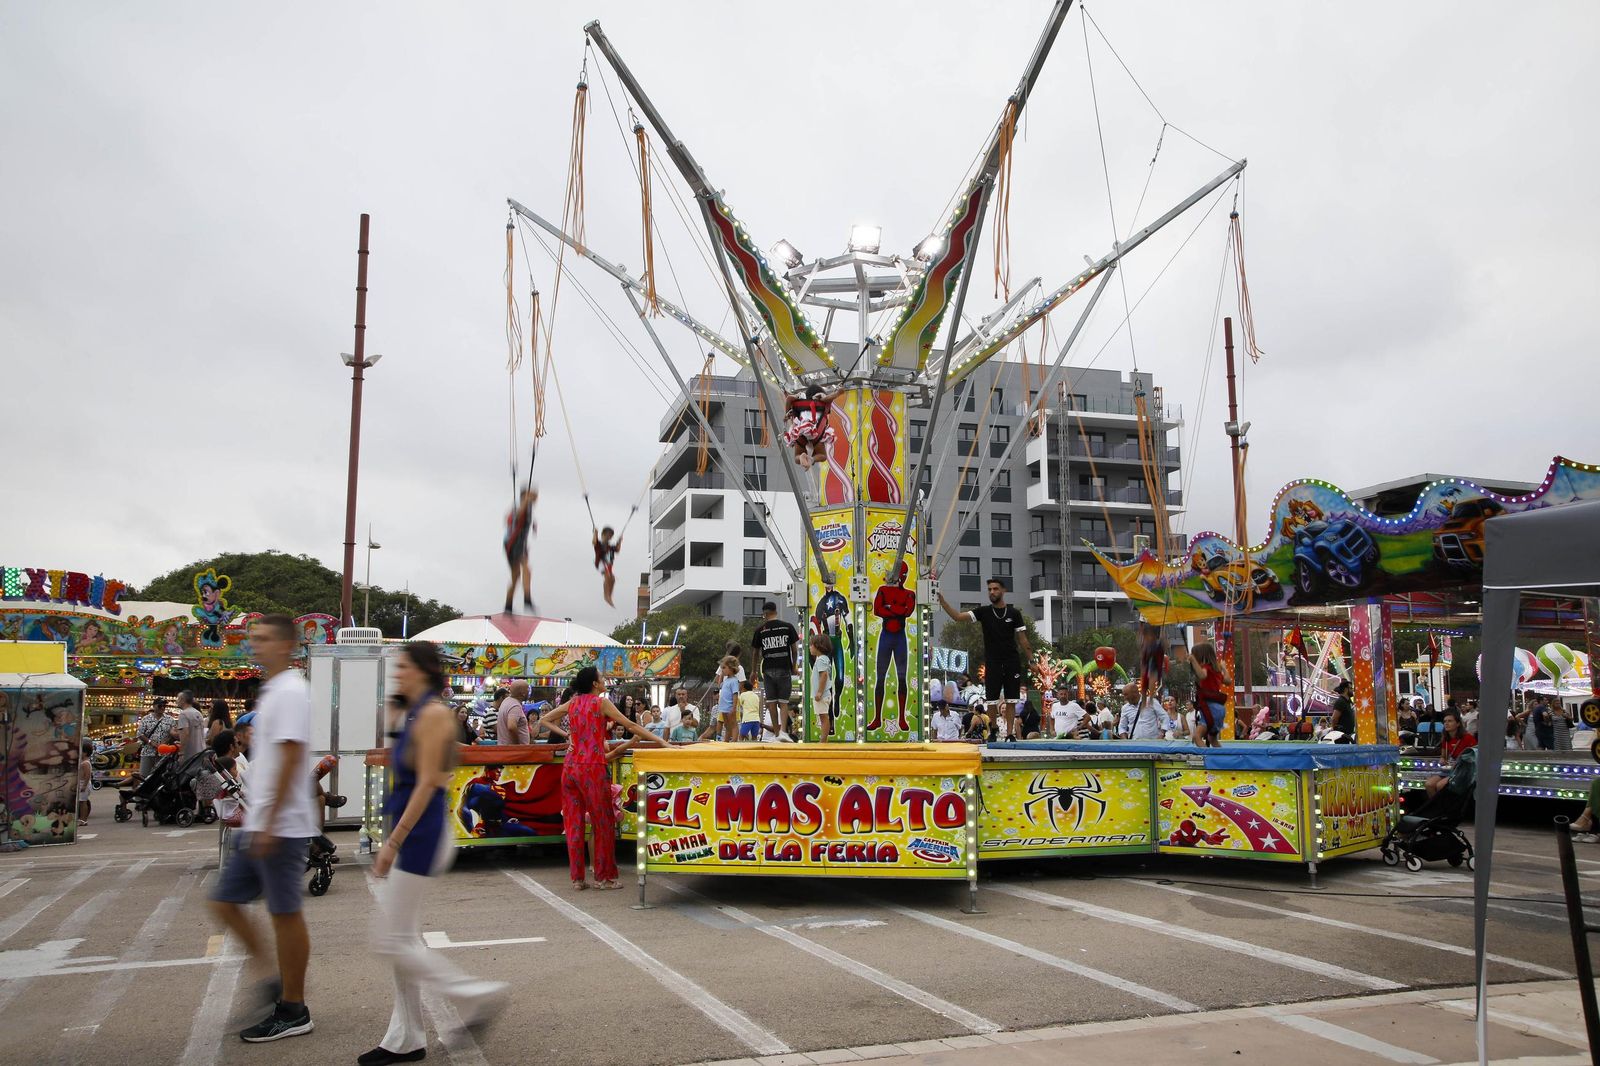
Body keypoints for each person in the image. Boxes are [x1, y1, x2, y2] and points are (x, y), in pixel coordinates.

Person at [364, 641, 509, 1065]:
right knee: (400, 941)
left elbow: (428, 782)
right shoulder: (415, 712)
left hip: (421, 836)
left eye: (404, 667)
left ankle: (475, 994)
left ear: (424, 672)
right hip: (412, 832)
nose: (398, 674)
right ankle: (405, 1036)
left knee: (389, 939)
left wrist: (392, 844)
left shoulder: (432, 715)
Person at [207, 614, 317, 1043]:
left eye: (264, 638)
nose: (255, 645)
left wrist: (270, 821)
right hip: (264, 820)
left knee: (284, 913)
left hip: (281, 824)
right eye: (251, 638)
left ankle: (293, 1006)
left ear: (287, 645)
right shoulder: (272, 690)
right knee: (224, 902)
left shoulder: (290, 690)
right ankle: (277, 982)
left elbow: (291, 757)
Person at [534, 666, 667, 889]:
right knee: (602, 822)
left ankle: (577, 878)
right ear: (595, 684)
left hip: (571, 766)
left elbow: (545, 720)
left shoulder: (574, 702)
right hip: (592, 767)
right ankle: (604, 877)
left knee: (574, 823)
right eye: (602, 678)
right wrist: (662, 742)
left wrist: (568, 736)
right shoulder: (601, 703)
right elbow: (631, 725)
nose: (604, 681)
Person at [937, 577, 1030, 742]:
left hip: (1011, 661)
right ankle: (993, 730)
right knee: (992, 700)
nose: (992, 592)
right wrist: (943, 602)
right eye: (989, 589)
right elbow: (958, 617)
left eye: (995, 589)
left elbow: (1022, 639)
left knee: (1011, 700)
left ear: (1003, 591)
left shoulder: (1014, 613)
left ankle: (1010, 734)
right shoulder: (984, 612)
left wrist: (1032, 660)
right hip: (993, 661)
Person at [871, 562, 917, 733]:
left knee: (902, 678)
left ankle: (902, 718)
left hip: (898, 637)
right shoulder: (883, 589)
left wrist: (889, 607)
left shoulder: (909, 594)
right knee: (880, 678)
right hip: (887, 636)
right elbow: (877, 610)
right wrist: (896, 609)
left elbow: (907, 611)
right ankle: (877, 718)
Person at [751, 602, 800, 739]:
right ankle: (783, 732)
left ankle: (777, 734)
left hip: (768, 669)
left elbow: (755, 652)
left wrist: (754, 671)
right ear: (775, 611)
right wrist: (793, 666)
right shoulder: (787, 627)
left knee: (771, 702)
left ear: (765, 613)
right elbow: (794, 650)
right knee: (783, 702)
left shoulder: (760, 630)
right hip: (784, 667)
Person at [782, 385, 840, 469]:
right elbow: (829, 399)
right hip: (816, 431)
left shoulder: (800, 398)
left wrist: (787, 414)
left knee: (796, 457)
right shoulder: (822, 399)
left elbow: (789, 398)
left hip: (801, 430)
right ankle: (811, 459)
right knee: (822, 455)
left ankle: (802, 456)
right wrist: (838, 392)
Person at [1426, 709, 1477, 797]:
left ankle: (1447, 808)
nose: (1446, 723)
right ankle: (1436, 807)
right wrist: (1442, 759)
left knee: (1440, 785)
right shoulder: (1446, 739)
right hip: (1448, 770)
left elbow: (1475, 756)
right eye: (1445, 721)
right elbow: (1443, 756)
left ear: (1458, 724)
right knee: (1429, 784)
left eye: (1450, 721)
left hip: (1462, 771)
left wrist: (1459, 763)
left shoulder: (1468, 738)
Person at [503, 487, 538, 614]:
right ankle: (527, 599)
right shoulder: (520, 505)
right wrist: (525, 502)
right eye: (534, 495)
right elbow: (517, 515)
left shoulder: (528, 508)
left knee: (516, 576)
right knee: (526, 569)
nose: (536, 498)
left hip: (519, 544)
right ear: (526, 496)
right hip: (513, 543)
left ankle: (508, 606)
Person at [1189, 642, 1229, 748]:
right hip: (1220, 709)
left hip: (1210, 708)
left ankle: (1209, 759)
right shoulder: (1217, 671)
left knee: (1197, 737)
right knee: (1212, 739)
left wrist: (1193, 661)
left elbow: (1202, 675)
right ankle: (1221, 760)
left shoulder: (1206, 668)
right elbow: (1228, 681)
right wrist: (1224, 668)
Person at [703, 656, 741, 742]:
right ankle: (726, 740)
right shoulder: (726, 680)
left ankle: (734, 740)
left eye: (724, 668)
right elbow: (719, 685)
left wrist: (734, 707)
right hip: (723, 706)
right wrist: (721, 674)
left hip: (730, 705)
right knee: (726, 725)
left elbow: (735, 694)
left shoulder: (734, 681)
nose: (722, 670)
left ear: (731, 668)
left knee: (733, 724)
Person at [136, 696, 173, 781]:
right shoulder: (146, 719)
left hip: (163, 753)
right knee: (143, 776)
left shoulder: (170, 719)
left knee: (160, 777)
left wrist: (165, 742)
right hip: (148, 751)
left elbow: (172, 734)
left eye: (164, 706)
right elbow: (139, 734)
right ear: (154, 706)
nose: (162, 708)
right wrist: (150, 742)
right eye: (160, 706)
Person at [810, 633, 834, 742]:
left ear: (818, 646)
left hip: (822, 694)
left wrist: (819, 692)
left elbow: (823, 675)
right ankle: (823, 739)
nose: (810, 647)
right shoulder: (822, 659)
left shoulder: (821, 660)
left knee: (824, 717)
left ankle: (823, 740)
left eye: (812, 645)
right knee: (823, 716)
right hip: (823, 694)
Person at [593, 526, 622, 607]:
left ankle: (609, 595)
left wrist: (619, 541)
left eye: (610, 537)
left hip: (608, 565)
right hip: (601, 563)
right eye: (607, 536)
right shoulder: (599, 544)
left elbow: (618, 549)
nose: (609, 538)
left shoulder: (610, 547)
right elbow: (594, 542)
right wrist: (595, 533)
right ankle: (606, 596)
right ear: (603, 535)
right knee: (607, 576)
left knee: (612, 579)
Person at [498, 681, 532, 746]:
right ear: (523, 693)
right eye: (528, 689)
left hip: (506, 748)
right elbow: (511, 727)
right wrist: (517, 745)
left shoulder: (506, 701)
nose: (529, 691)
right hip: (514, 751)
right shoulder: (515, 706)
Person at [77, 740, 93, 825]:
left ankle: (83, 819)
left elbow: (87, 775)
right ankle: (81, 818)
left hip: (84, 784)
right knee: (81, 801)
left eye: (81, 751)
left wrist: (84, 786)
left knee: (83, 802)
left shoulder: (86, 763)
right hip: (81, 783)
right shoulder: (83, 762)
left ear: (85, 753)